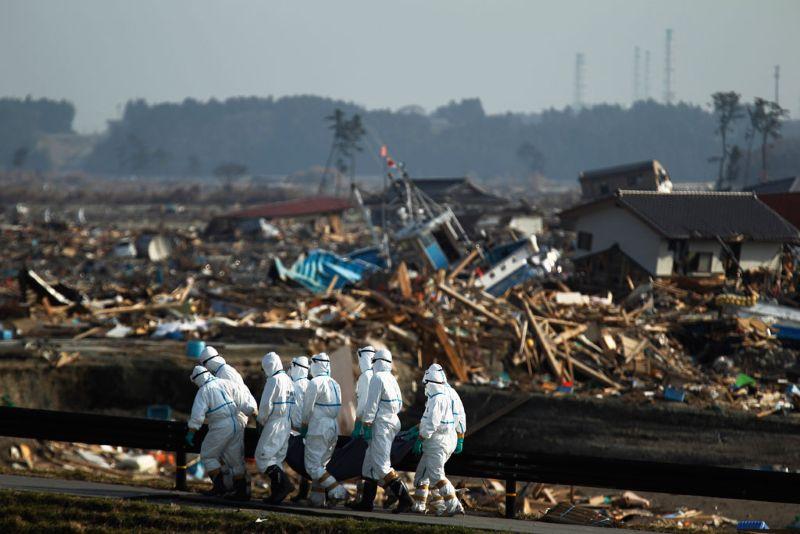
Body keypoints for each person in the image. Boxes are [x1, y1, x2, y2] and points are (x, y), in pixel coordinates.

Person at [348, 349, 413, 513]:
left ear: (376, 362)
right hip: (391, 420)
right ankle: (366, 502)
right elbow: (399, 405)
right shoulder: (392, 378)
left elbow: (371, 405)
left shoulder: (377, 378)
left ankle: (405, 499)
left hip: (381, 424)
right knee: (368, 465)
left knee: (382, 465)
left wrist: (367, 424)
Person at [186, 365, 256, 500]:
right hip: (237, 422)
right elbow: (244, 402)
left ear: (198, 379)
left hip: (221, 425)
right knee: (235, 459)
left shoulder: (203, 391)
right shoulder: (226, 383)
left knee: (208, 455)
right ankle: (242, 492)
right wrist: (253, 414)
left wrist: (191, 432)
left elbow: (197, 416)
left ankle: (220, 488)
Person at [200, 345, 257, 493]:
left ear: (208, 362)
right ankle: (233, 489)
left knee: (232, 455)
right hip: (233, 417)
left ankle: (238, 490)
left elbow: (239, 395)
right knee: (230, 456)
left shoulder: (225, 372)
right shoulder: (223, 371)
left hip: (234, 417)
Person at [410, 363, 463, 516]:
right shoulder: (444, 397)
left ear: (429, 383)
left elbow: (431, 422)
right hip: (441, 440)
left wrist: (421, 437)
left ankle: (452, 504)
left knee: (436, 475)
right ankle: (420, 505)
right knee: (422, 474)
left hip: (437, 442)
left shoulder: (436, 400)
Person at [300, 352, 347, 507]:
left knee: (312, 466)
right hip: (333, 427)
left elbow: (307, 409)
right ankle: (317, 498)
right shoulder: (335, 383)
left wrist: (304, 425)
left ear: (316, 364)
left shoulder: (315, 383)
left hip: (318, 427)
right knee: (321, 465)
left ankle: (337, 491)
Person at [255, 352, 295, 504]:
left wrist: (260, 421)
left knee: (262, 457)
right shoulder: (288, 380)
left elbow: (266, 405)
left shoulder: (273, 380)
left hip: (275, 423)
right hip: (286, 423)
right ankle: (276, 494)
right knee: (276, 458)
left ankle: (285, 485)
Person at [288, 356, 311, 502]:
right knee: (308, 461)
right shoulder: (310, 383)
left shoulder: (296, 386)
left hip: (298, 429)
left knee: (300, 461)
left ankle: (302, 493)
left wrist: (294, 426)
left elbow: (296, 410)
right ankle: (304, 492)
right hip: (310, 427)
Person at [351, 346, 375, 438]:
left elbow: (363, 401)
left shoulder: (365, 376)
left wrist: (357, 421)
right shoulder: (377, 374)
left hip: (366, 423)